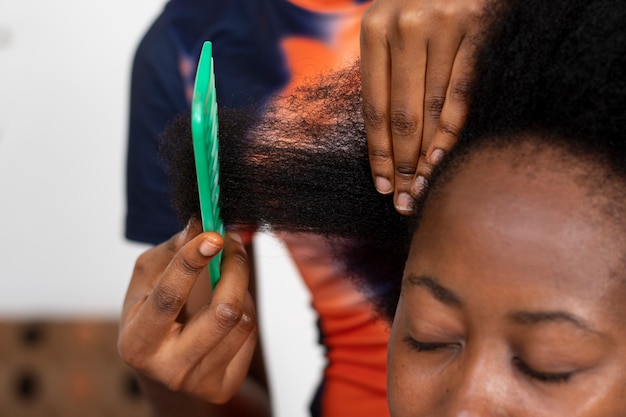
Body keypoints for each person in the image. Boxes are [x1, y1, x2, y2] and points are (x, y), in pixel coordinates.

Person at [121, 0, 626, 414]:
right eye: (428, 337)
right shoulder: (190, 45)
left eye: (548, 365)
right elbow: (218, 379)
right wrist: (173, 379)